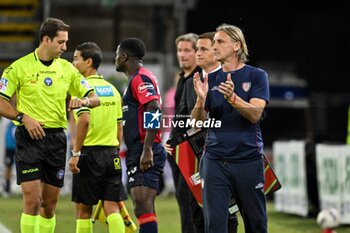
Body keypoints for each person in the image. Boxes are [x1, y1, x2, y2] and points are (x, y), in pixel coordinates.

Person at [0, 17, 100, 233]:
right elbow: (1, 101)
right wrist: (22, 117)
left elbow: (95, 98)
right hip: (29, 138)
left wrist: (83, 101)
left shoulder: (67, 69)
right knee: (33, 201)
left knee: (49, 206)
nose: (65, 47)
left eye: (66, 42)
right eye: (61, 42)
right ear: (46, 39)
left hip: (56, 139)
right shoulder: (19, 67)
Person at [191, 24, 270, 233]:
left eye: (220, 42)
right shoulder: (210, 79)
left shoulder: (256, 76)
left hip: (248, 160)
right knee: (215, 225)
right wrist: (200, 101)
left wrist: (233, 98)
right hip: (215, 161)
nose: (214, 46)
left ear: (236, 46)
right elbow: (198, 124)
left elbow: (255, 114)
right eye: (214, 42)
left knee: (256, 224)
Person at [165, 32, 238, 233]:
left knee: (225, 210)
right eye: (182, 50)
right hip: (190, 153)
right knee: (192, 207)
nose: (187, 54)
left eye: (195, 49)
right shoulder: (187, 81)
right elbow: (180, 118)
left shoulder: (225, 78)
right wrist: (172, 139)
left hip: (215, 154)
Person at [69, 42, 127, 233]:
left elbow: (83, 122)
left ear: (89, 61)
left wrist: (76, 152)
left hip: (88, 154)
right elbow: (119, 127)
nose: (73, 63)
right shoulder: (113, 90)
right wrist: (115, 151)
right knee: (112, 208)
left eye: (76, 58)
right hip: (112, 154)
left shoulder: (81, 90)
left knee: (83, 211)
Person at [115, 37, 166, 233]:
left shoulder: (140, 78)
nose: (116, 59)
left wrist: (147, 148)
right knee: (143, 206)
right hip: (139, 148)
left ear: (125, 56)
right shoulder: (138, 78)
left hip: (145, 148)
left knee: (142, 204)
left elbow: (154, 108)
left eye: (118, 55)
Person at [167, 33, 204, 233]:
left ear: (197, 52)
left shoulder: (197, 80)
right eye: (179, 50)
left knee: (190, 200)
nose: (182, 55)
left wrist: (181, 142)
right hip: (177, 149)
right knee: (183, 199)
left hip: (189, 151)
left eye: (187, 50)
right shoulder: (182, 78)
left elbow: (195, 121)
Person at [2, 119, 16, 197]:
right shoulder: (6, 118)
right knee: (8, 167)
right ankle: (7, 189)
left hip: (21, 146)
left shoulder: (23, 112)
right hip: (9, 147)